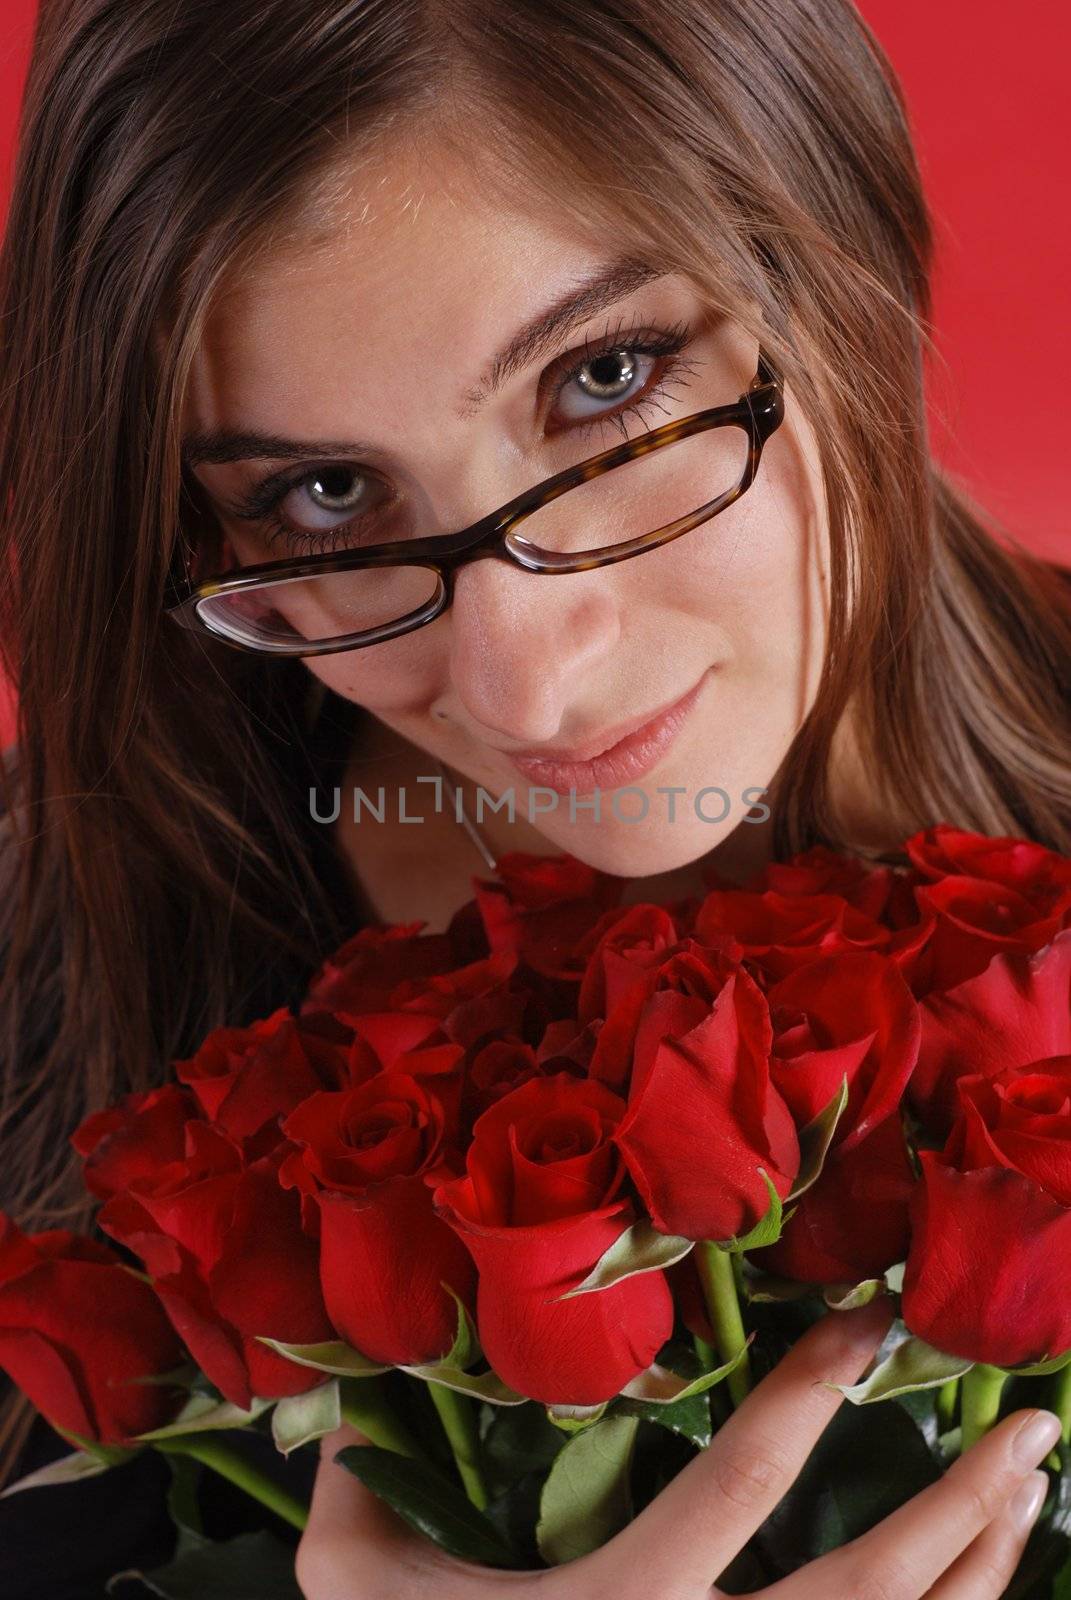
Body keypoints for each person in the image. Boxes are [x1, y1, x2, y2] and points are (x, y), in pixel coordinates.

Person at [1, 0, 1069, 1595]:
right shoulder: (44, 968)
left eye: (606, 375)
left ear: (838, 240)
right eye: (327, 492)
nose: (519, 689)